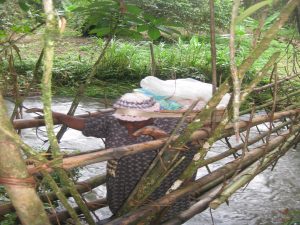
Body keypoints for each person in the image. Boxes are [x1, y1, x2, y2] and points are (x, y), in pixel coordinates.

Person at [42, 92, 196, 222]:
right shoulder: (114, 120)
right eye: (125, 122)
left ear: (151, 115)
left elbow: (186, 149)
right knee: (124, 213)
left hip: (160, 188)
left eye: (135, 123)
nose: (129, 126)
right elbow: (86, 124)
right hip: (122, 184)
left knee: (157, 216)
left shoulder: (175, 124)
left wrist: (160, 136)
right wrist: (59, 116)